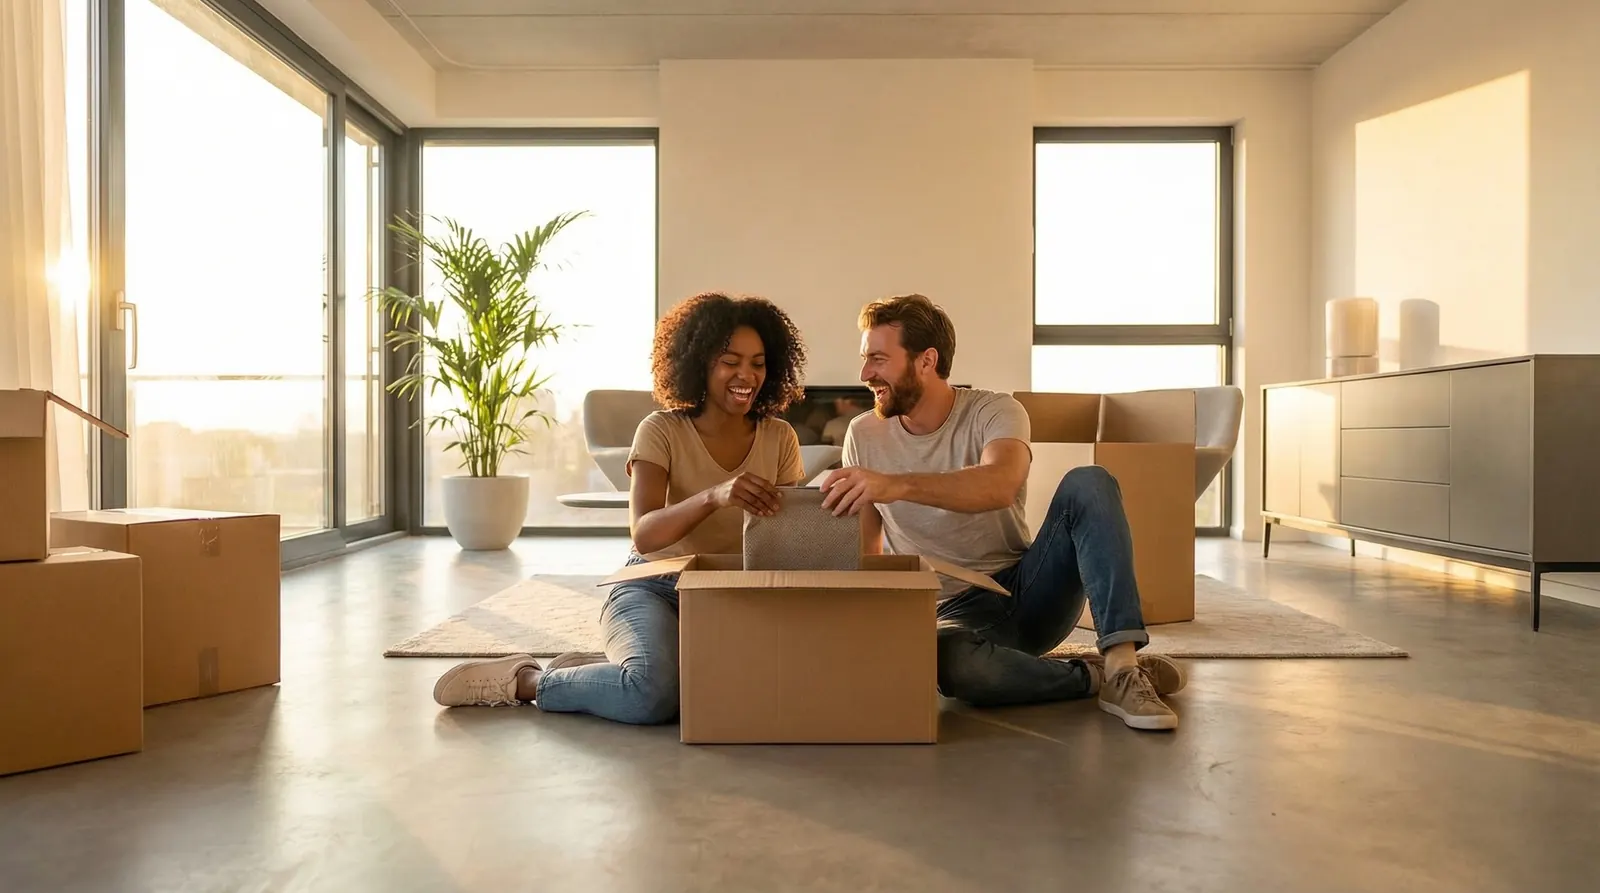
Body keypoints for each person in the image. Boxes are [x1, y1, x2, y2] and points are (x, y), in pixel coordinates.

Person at [431, 292, 809, 722]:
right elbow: (644, 534)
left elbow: (786, 537)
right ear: (699, 362)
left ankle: (601, 672)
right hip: (652, 584)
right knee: (650, 696)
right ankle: (527, 681)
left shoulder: (779, 437)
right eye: (731, 361)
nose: (746, 375)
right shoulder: (660, 430)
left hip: (731, 594)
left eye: (758, 363)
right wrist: (713, 495)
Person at [820, 293, 1187, 731]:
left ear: (926, 360)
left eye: (878, 359)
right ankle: (1093, 675)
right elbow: (870, 553)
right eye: (865, 359)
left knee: (1089, 481)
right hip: (947, 613)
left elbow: (1000, 483)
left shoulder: (994, 410)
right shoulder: (862, 434)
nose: (865, 375)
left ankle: (1124, 667)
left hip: (1024, 591)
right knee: (954, 666)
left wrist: (894, 483)